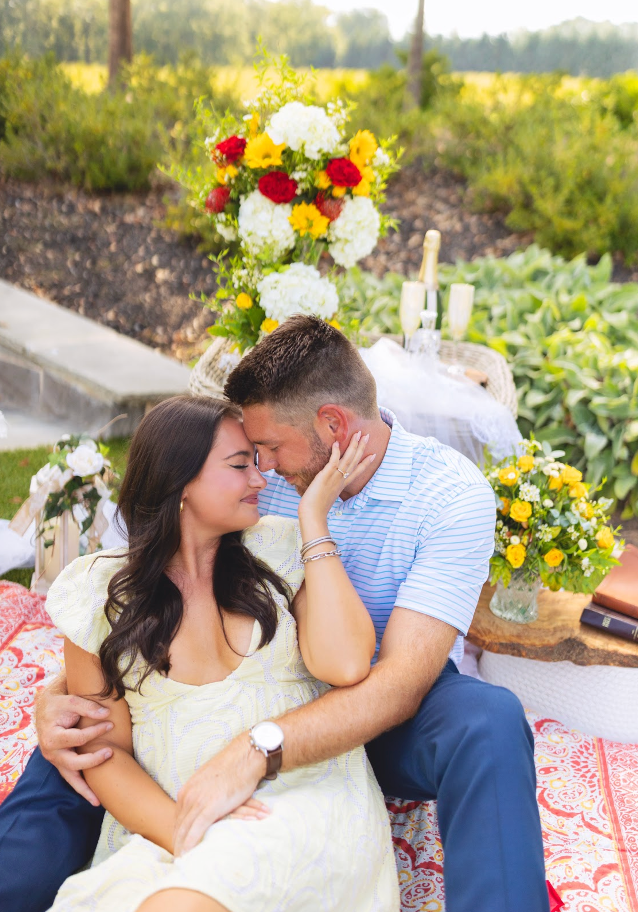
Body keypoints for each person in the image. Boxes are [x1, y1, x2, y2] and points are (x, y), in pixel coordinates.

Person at [0, 317, 550, 912]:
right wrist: (62, 688)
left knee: (487, 719)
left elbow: (397, 684)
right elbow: (134, 578)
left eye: (269, 450)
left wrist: (258, 746)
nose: (262, 467)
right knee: (80, 741)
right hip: (213, 695)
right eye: (249, 455)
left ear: (333, 426)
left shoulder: (448, 494)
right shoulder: (255, 476)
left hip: (377, 695)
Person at [19, 394, 400, 912]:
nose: (260, 480)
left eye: (257, 463)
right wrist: (184, 833)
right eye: (240, 466)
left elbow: (349, 664)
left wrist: (315, 520)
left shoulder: (283, 550)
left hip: (302, 803)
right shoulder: (96, 593)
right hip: (171, 826)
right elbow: (105, 756)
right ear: (180, 483)